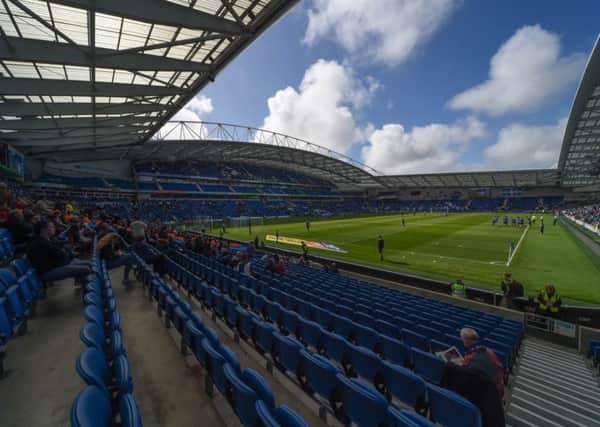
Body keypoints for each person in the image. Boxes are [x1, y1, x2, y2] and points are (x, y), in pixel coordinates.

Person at [26, 219, 91, 284]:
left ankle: (81, 283)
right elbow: (60, 254)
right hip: (48, 272)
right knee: (86, 269)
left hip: (56, 266)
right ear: (43, 229)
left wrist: (64, 251)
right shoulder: (40, 243)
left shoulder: (46, 240)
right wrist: (64, 251)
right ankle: (87, 290)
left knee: (89, 264)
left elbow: (61, 251)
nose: (54, 228)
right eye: (51, 227)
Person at [460, 328, 505, 400]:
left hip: (490, 394)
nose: (461, 340)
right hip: (499, 387)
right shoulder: (488, 351)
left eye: (462, 338)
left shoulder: (470, 357)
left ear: (466, 340)